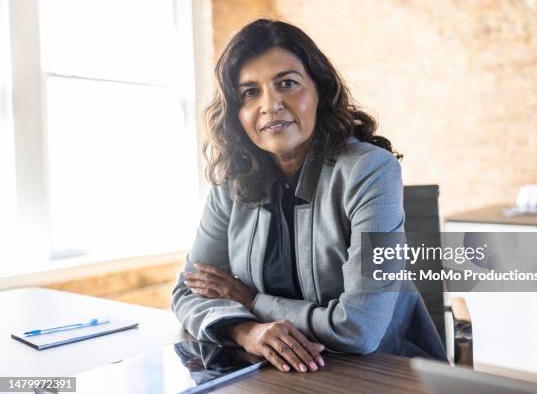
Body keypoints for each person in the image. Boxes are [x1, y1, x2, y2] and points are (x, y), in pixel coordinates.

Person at [172, 19, 446, 374]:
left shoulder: (370, 170)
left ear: (319, 89)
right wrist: (245, 329)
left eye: (287, 83)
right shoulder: (231, 181)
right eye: (249, 93)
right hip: (276, 376)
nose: (270, 105)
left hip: (382, 374)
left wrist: (251, 300)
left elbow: (360, 328)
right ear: (236, 113)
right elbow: (188, 291)